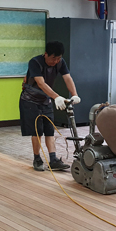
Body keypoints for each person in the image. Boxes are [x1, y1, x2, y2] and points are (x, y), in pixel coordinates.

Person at [20, 41, 81, 171]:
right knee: (37, 131)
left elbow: (67, 78)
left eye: (58, 58)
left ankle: (53, 160)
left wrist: (74, 94)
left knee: (49, 130)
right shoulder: (35, 62)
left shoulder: (60, 62)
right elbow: (41, 83)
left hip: (45, 100)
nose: (56, 61)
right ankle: (37, 159)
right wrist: (56, 97)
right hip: (30, 101)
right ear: (46, 54)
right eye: (53, 58)